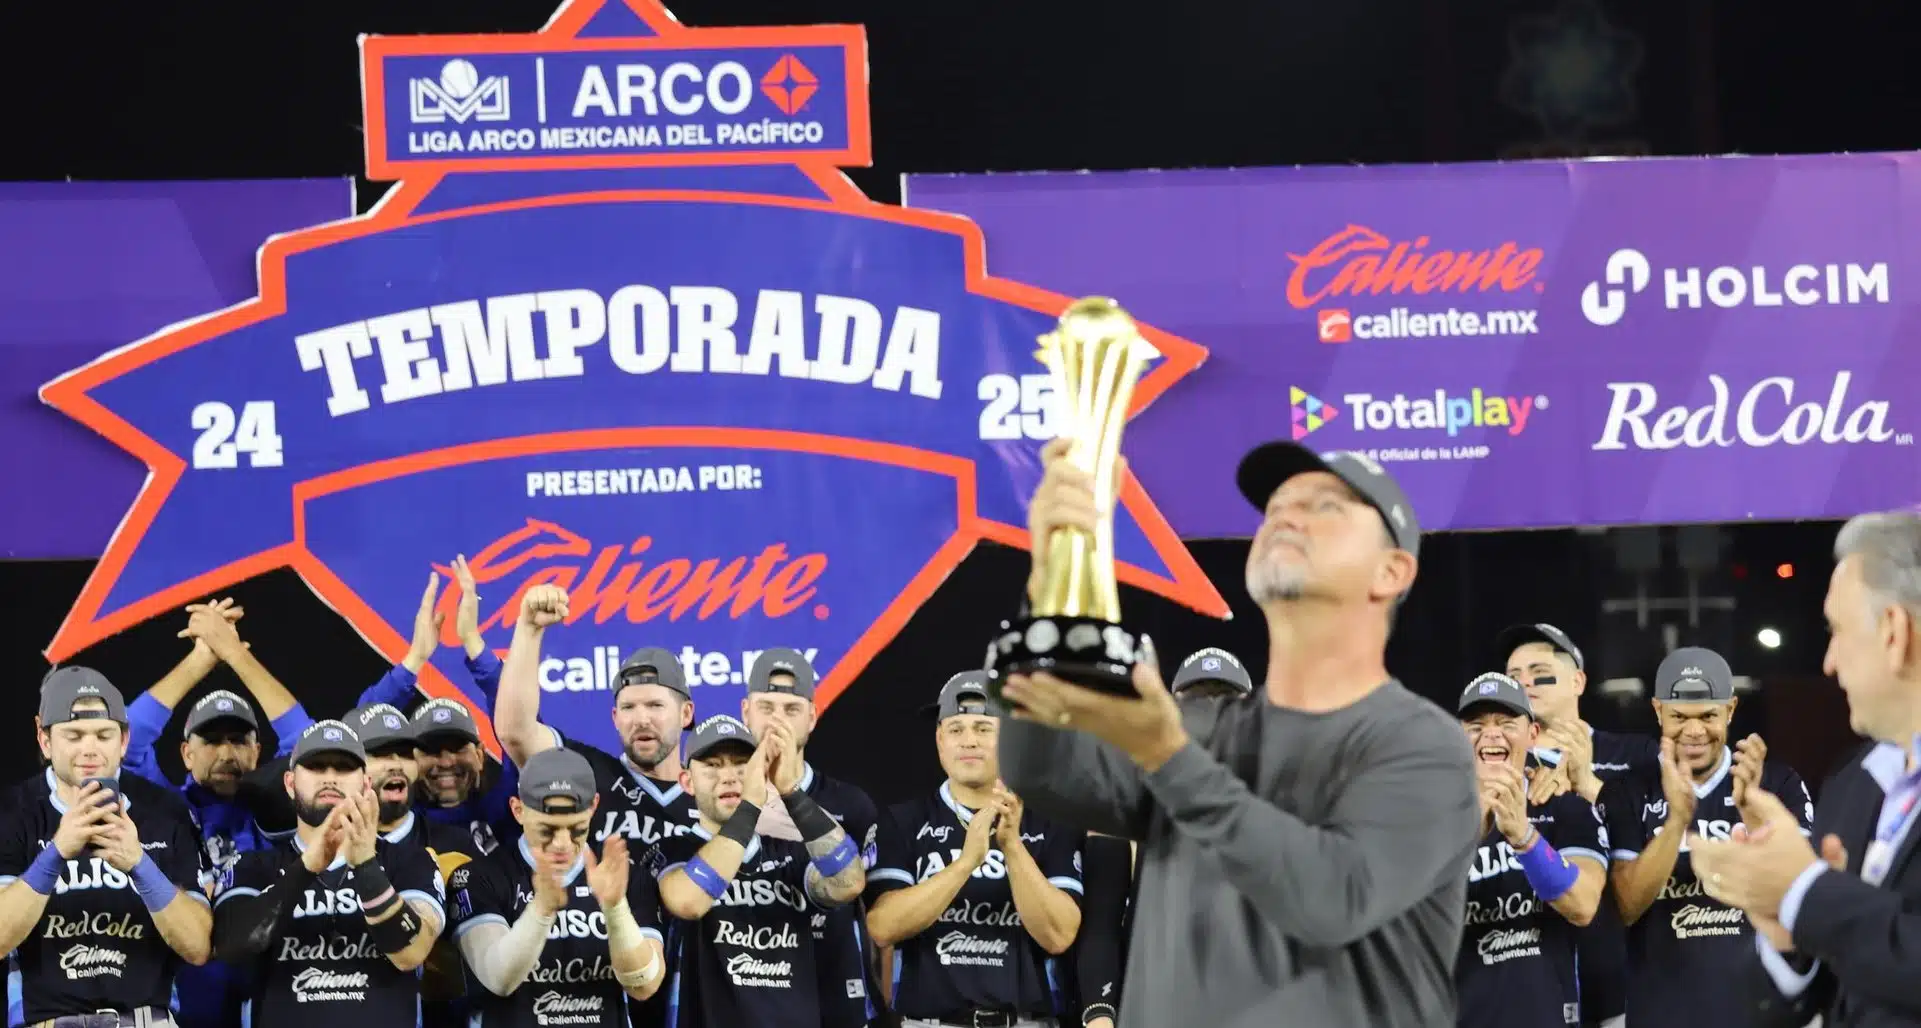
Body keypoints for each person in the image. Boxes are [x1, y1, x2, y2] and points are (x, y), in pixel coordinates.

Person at [998, 439, 1480, 1028]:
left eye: (1326, 506)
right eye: (1275, 507)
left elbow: (1333, 899)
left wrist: (1166, 756)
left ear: (1392, 571)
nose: (1285, 515)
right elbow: (1040, 771)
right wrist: (1053, 584)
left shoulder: (1424, 747)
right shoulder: (1198, 732)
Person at [1692, 510, 1921, 1026]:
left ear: (1894, 632)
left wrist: (1805, 891)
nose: (1829, 662)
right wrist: (1787, 934)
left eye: (1838, 631)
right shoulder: (1852, 784)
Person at [1601, 646, 1812, 1028]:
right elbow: (1626, 906)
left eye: (1708, 716)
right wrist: (1676, 823)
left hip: (1759, 1016)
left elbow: (1804, 901)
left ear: (1730, 710)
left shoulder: (1778, 784)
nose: (1695, 731)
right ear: (1657, 710)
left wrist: (1756, 821)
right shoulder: (1627, 792)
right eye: (1679, 716)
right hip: (1661, 1015)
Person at [868, 671, 1084, 1028]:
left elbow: (1059, 935)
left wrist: (1012, 848)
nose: (969, 741)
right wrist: (966, 862)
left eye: (984, 728)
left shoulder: (1049, 824)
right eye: (956, 729)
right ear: (940, 741)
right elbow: (882, 927)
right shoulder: (902, 821)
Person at [0, 667, 212, 1027]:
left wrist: (139, 863)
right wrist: (56, 853)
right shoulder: (13, 811)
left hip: (147, 1020)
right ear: (44, 739)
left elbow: (197, 947)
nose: (90, 749)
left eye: (103, 735)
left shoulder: (165, 811)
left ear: (124, 740)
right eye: (74, 735)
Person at [210, 720, 446, 1027]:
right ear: (290, 783)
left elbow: (411, 952)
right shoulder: (252, 866)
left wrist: (365, 866)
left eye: (344, 768)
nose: (330, 778)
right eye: (317, 767)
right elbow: (232, 946)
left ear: (365, 784)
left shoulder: (411, 862)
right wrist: (306, 867)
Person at [1073, 646, 1253, 1028]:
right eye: (1197, 698)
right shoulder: (1126, 800)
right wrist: (1100, 1017)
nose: (1210, 709)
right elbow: (1101, 928)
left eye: (1224, 698)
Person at [648, 715, 866, 1027]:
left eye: (741, 764)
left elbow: (850, 882)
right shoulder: (671, 852)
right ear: (687, 781)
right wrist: (750, 804)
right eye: (712, 765)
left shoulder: (791, 853)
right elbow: (688, 901)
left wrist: (791, 792)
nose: (730, 777)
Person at [1498, 622, 1652, 1028]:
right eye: (1513, 677)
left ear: (1578, 681)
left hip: (1630, 988)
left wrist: (1591, 790)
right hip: (1534, 991)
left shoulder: (1636, 755)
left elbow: (1665, 840)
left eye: (1539, 671)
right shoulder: (1502, 769)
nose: (1525, 683)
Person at [450, 747, 668, 1028]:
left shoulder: (624, 877)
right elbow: (499, 979)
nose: (562, 843)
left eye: (576, 829)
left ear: (594, 806)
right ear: (518, 810)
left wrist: (615, 910)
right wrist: (541, 910)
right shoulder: (481, 876)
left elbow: (644, 985)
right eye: (547, 830)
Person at [737, 648, 885, 1027]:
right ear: (745, 712)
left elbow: (878, 918)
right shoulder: (718, 801)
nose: (777, 721)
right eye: (766, 707)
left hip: (836, 1001)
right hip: (748, 998)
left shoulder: (851, 805)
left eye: (791, 709)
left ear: (812, 718)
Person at [1454, 672, 1609, 1028]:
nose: (1491, 734)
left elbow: (1584, 905)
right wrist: (1466, 834)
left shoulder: (1563, 806)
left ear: (1532, 735)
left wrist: (1525, 837)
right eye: (1476, 725)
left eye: (1506, 723)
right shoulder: (1429, 816)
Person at [494, 588, 700, 850]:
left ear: (686, 714)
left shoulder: (711, 791)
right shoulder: (588, 775)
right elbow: (516, 732)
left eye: (655, 705)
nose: (641, 719)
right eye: (628, 707)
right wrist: (529, 630)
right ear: (615, 717)